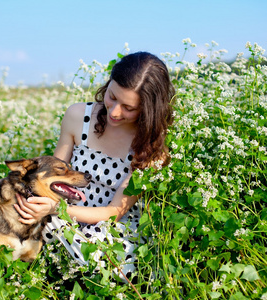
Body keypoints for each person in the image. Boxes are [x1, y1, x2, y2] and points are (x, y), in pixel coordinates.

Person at [14, 51, 175, 280]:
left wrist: (57, 210)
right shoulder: (78, 115)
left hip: (109, 228)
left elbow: (113, 213)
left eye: (129, 108)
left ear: (148, 110)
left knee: (100, 257)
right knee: (21, 215)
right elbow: (52, 175)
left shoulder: (151, 147)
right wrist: (10, 183)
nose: (115, 111)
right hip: (64, 211)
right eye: (112, 96)